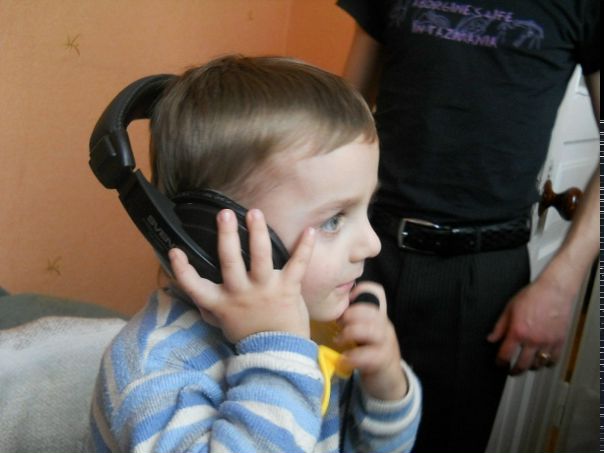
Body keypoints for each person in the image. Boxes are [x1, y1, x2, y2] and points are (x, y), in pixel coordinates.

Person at [88, 55, 421, 453]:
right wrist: (276, 350)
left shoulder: (319, 322)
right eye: (334, 220)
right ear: (211, 236)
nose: (372, 244)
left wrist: (385, 388)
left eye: (368, 207)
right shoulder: (155, 371)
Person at [336, 1, 600, 452]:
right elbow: (342, 115)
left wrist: (562, 283)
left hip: (482, 277)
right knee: (328, 427)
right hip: (365, 247)